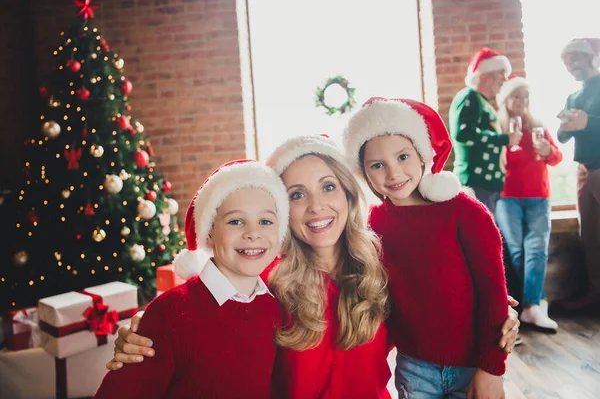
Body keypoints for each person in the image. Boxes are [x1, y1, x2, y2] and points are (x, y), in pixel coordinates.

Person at [105, 136, 520, 398]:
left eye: (327, 187)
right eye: (297, 194)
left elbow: (439, 306)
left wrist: (499, 316)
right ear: (282, 211)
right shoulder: (267, 281)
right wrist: (148, 329)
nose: (317, 206)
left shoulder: (381, 267)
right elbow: (204, 321)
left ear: (349, 196)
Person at [343, 97, 510, 398]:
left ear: (423, 156)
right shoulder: (374, 224)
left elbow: (492, 291)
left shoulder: (465, 213)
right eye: (377, 165)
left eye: (403, 157)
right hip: (413, 367)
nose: (393, 174)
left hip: (473, 365)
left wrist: (491, 367)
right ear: (364, 173)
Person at [94, 160, 290, 399]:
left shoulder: (276, 309)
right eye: (236, 221)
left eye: (265, 221)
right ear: (209, 232)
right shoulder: (168, 314)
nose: (253, 233)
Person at [495, 76, 563, 330]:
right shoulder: (500, 129)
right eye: (516, 96)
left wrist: (548, 152)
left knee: (537, 250)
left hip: (539, 198)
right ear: (506, 100)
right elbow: (497, 165)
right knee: (517, 251)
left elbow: (556, 157)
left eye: (526, 96)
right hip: (508, 198)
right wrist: (506, 146)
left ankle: (532, 306)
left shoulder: (538, 126)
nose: (522, 101)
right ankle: (533, 303)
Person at [449, 47, 521, 214]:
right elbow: (464, 134)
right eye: (501, 74)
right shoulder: (470, 97)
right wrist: (504, 139)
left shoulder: (481, 101)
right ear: (485, 74)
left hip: (485, 184)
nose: (504, 80)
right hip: (476, 182)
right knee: (480, 236)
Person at [557, 38, 600, 311]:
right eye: (568, 61)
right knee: (590, 238)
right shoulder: (573, 97)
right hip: (584, 172)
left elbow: (588, 124)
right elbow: (562, 136)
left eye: (577, 59)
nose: (572, 65)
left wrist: (589, 122)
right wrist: (567, 125)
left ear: (592, 57)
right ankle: (596, 297)